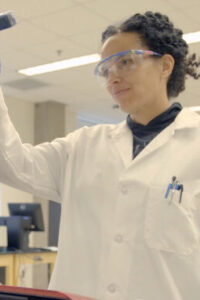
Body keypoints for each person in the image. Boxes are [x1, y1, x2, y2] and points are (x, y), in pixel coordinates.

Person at [0, 10, 200, 300]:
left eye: (126, 62)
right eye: (105, 69)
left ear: (165, 65)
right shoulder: (82, 146)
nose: (113, 77)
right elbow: (10, 164)